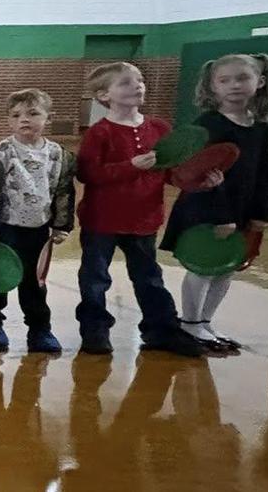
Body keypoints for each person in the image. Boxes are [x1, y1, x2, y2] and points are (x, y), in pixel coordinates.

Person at [74, 62, 209, 358]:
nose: (137, 86)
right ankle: (94, 329)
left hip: (144, 219)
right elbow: (88, 174)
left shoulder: (160, 128)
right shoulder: (99, 133)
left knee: (149, 278)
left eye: (140, 80)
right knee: (95, 278)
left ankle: (162, 330)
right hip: (103, 221)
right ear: (103, 94)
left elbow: (172, 173)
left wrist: (200, 180)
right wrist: (129, 167)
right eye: (125, 83)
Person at [161, 53, 268, 352]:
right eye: (224, 80)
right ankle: (189, 322)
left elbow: (266, 172)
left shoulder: (261, 127)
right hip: (206, 208)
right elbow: (199, 174)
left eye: (242, 78)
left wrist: (262, 213)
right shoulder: (208, 125)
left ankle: (204, 322)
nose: (234, 86)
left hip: (242, 209)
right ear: (212, 87)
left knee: (226, 267)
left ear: (260, 82)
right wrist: (221, 215)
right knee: (202, 266)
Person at [0, 89, 74, 353]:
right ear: (9, 121)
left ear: (47, 118)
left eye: (33, 113)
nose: (24, 120)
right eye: (16, 115)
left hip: (38, 231)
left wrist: (62, 224)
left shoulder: (59, 155)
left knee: (35, 283)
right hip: (4, 229)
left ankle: (40, 329)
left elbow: (64, 190)